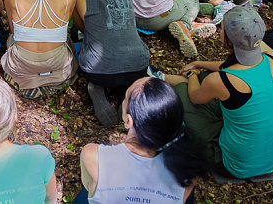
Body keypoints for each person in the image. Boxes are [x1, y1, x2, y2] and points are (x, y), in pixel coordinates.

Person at [150, 6, 273, 180]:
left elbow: (194, 97)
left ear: (228, 40)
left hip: (233, 165)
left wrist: (192, 74)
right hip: (271, 161)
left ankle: (159, 79)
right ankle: (162, 77)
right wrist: (200, 63)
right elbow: (235, 67)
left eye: (222, 30)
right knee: (211, 83)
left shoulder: (220, 80)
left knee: (183, 91)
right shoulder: (271, 59)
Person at [77, 77, 210, 203]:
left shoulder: (93, 156)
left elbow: (88, 185)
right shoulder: (190, 167)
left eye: (126, 97)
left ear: (128, 120)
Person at [71, 0, 150, 126]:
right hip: (138, 66)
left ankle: (97, 88)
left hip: (98, 71)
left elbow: (82, 27)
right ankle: (127, 97)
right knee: (127, 75)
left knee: (77, 35)